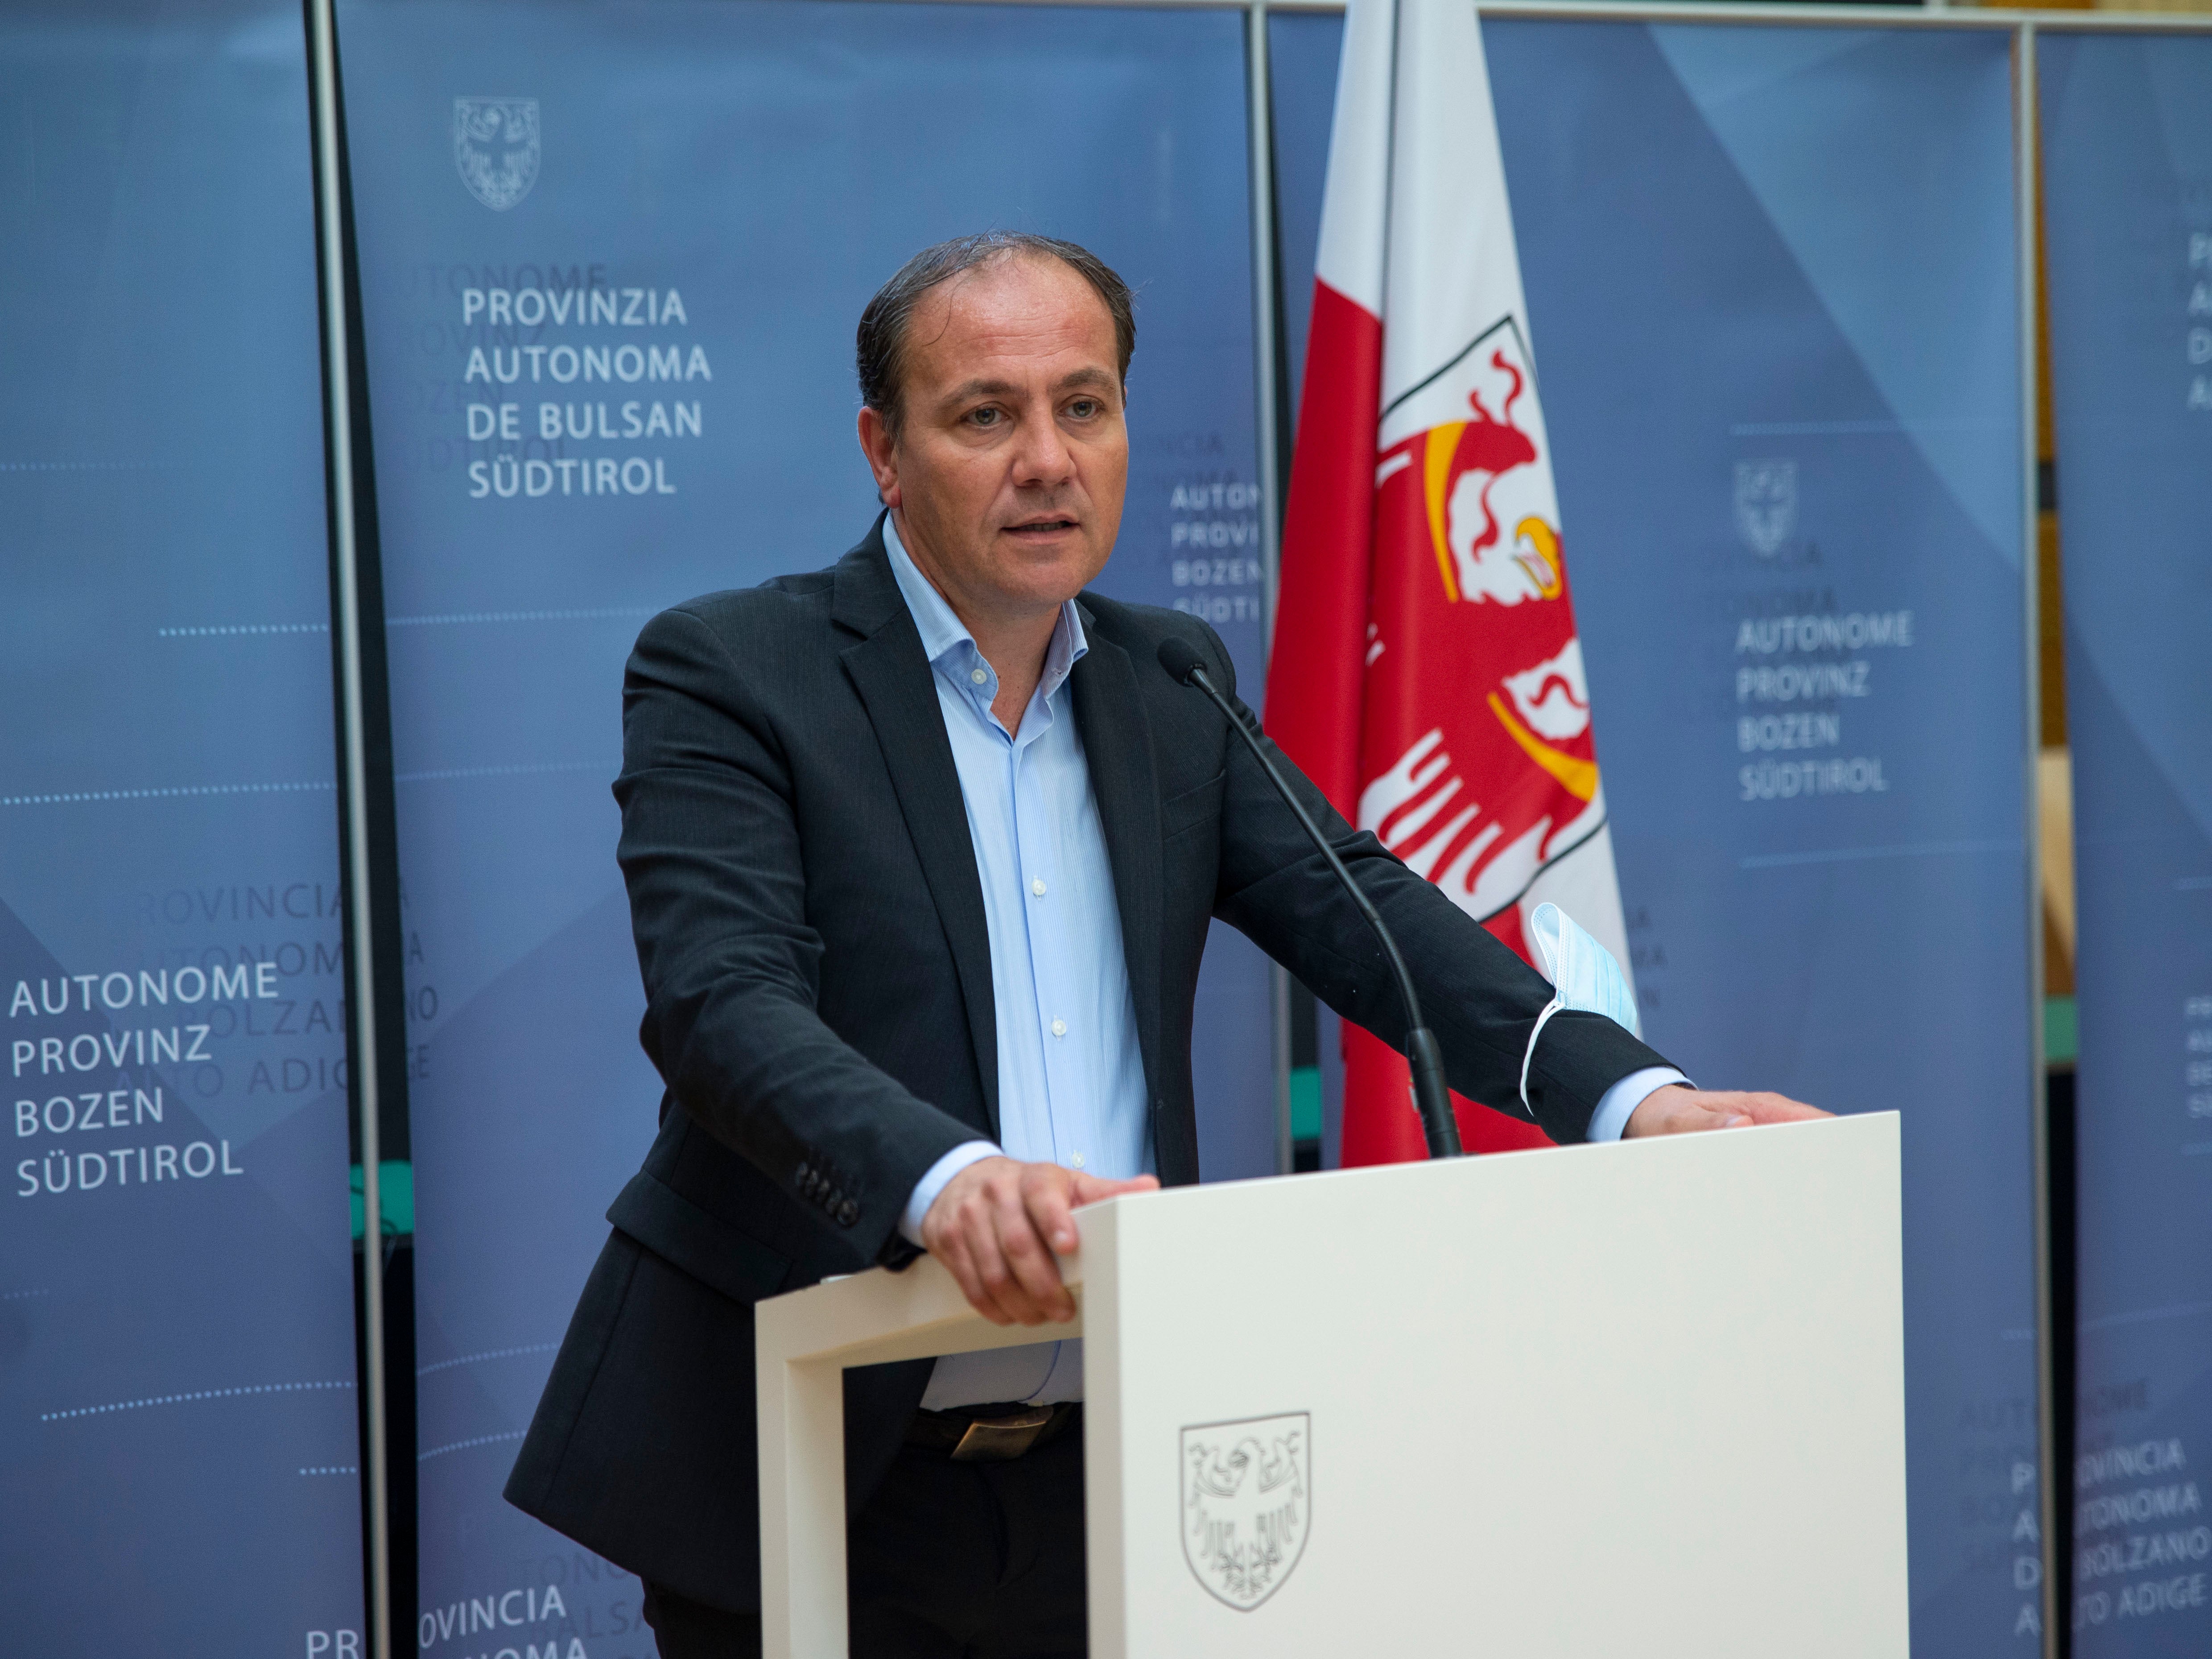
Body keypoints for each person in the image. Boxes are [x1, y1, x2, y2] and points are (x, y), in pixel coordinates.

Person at [505, 231, 1827, 1658]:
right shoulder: (734, 670)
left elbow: (1367, 913)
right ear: (886, 453)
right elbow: (723, 1007)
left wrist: (1632, 1099)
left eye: (1083, 406)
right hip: (816, 1460)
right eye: (986, 416)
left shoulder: (1167, 679)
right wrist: (946, 1184)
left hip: (1117, 1462)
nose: (1047, 460)